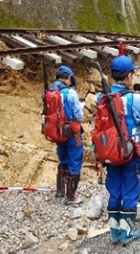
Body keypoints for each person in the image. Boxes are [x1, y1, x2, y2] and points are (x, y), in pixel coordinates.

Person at [101, 56, 140, 245]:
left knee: (115, 190)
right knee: (131, 190)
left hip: (110, 153)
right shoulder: (134, 98)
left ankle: (115, 231)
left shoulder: (103, 98)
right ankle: (127, 232)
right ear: (129, 75)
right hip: (131, 153)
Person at [50, 65, 84, 205]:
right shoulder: (70, 93)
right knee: (75, 161)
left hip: (57, 132)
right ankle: (71, 197)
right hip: (71, 132)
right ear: (69, 78)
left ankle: (60, 190)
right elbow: (79, 115)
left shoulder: (50, 92)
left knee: (63, 159)